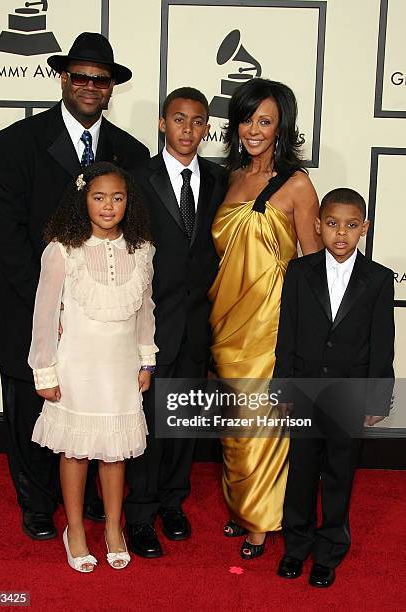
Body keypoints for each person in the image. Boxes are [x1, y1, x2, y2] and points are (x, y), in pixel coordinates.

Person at [0, 32, 150, 541]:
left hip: (104, 327)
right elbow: (5, 230)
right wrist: (50, 302)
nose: (89, 86)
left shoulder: (131, 152)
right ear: (63, 78)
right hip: (29, 305)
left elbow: (134, 234)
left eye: (100, 80)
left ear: (111, 88)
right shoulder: (16, 143)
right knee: (30, 403)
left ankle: (96, 508)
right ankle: (37, 505)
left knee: (98, 407)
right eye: (80, 76)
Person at [208, 78, 322, 559]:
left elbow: (314, 267)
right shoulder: (226, 178)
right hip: (223, 320)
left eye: (265, 121)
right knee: (233, 423)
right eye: (247, 118)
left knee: (260, 422)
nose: (253, 129)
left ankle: (259, 521)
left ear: (281, 128)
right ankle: (241, 507)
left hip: (269, 325)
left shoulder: (297, 185)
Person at [28, 161, 156, 572]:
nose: (108, 206)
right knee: (76, 451)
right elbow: (44, 315)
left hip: (120, 369)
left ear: (127, 202)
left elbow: (145, 313)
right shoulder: (63, 249)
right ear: (83, 199)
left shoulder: (142, 250)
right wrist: (44, 371)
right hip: (76, 368)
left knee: (116, 453)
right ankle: (77, 530)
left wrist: (146, 361)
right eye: (98, 197)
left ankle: (114, 529)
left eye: (117, 198)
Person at [124, 87, 227, 558]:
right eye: (179, 120)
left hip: (199, 322)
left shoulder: (220, 180)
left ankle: (173, 503)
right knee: (146, 423)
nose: (189, 129)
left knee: (184, 419)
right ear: (163, 124)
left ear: (208, 128)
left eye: (198, 121)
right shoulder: (137, 178)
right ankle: (140, 514)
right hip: (149, 321)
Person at [274, 188, 395, 587]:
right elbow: (286, 335)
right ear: (317, 226)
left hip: (348, 393)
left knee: (340, 474)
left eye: (350, 225)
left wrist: (377, 397)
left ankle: (329, 550)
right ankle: (297, 546)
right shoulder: (299, 271)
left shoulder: (377, 279)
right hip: (305, 391)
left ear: (364, 228)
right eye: (331, 224)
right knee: (302, 472)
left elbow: (382, 342)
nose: (340, 233)